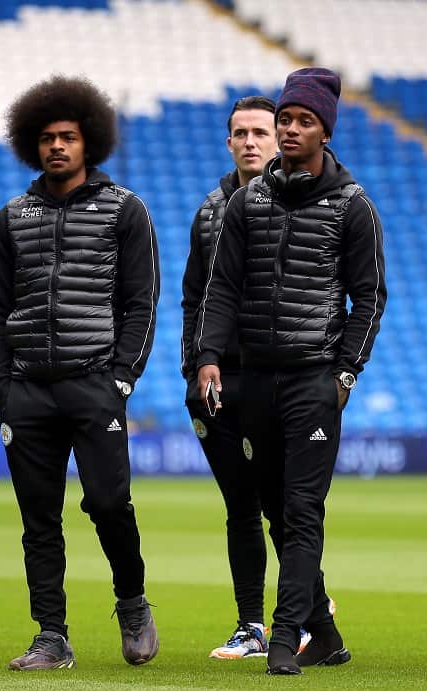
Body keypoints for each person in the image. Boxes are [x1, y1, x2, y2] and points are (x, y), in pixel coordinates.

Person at [195, 67, 387, 675]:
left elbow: (370, 297)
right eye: (287, 119)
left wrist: (345, 373)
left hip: (313, 381)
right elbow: (219, 288)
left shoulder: (352, 206)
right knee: (275, 510)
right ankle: (324, 635)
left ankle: (285, 637)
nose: (292, 129)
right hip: (253, 380)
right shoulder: (247, 202)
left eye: (304, 121)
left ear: (325, 130)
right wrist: (206, 358)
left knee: (301, 510)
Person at [0, 75, 161, 671]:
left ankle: (131, 602)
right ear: (31, 144)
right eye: (47, 138)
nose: (57, 146)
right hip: (26, 390)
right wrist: (2, 387)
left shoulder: (125, 210)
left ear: (91, 143)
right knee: (39, 520)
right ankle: (51, 635)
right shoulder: (11, 217)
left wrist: (122, 377)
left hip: (94, 385)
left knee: (110, 504)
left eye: (68, 137)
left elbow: (142, 302)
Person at [180, 95, 279, 660]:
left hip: (279, 377)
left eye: (259, 132)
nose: (250, 142)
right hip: (219, 380)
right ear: (229, 142)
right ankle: (251, 625)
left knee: (285, 506)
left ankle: (307, 611)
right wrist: (191, 368)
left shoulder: (306, 201)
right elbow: (194, 299)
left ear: (278, 138)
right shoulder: (209, 211)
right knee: (240, 507)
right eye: (240, 133)